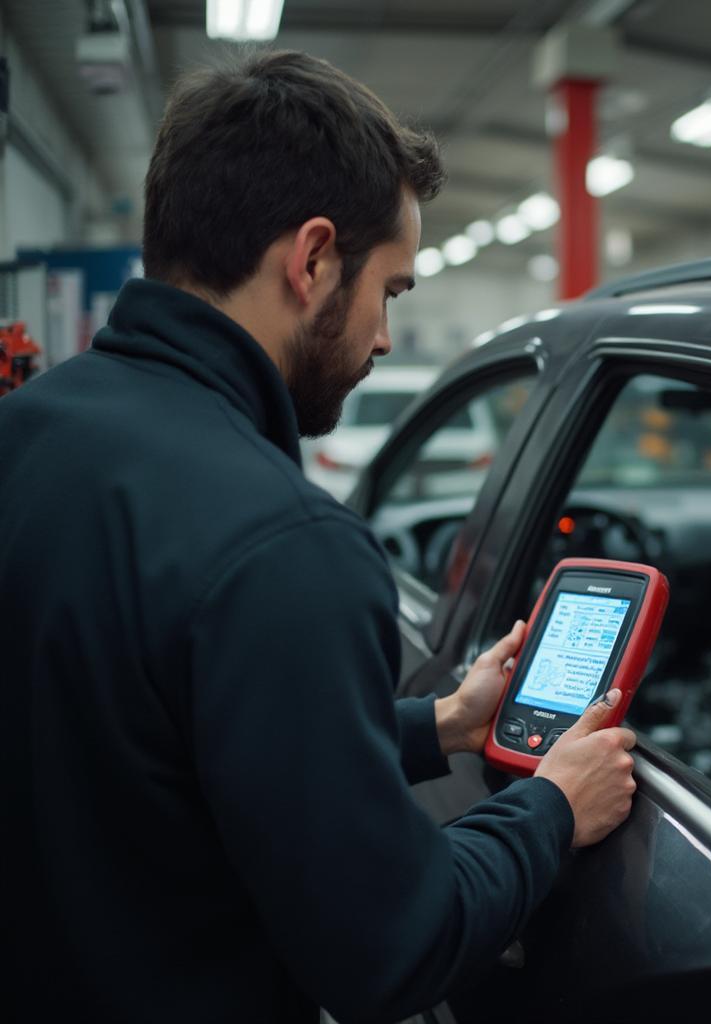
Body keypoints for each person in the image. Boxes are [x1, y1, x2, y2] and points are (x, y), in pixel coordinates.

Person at [0, 51, 637, 1023]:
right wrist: (552, 808)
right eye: (392, 290)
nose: (384, 335)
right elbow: (390, 949)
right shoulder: (285, 544)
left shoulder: (31, 429)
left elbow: (159, 734)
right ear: (312, 260)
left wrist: (443, 724)